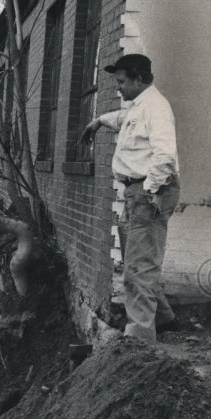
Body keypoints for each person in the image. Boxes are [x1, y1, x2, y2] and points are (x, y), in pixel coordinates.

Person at [80, 54, 180, 342]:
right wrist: (99, 121)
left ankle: (139, 338)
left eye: (122, 82)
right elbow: (124, 119)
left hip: (149, 192)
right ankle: (162, 318)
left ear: (138, 79)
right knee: (137, 257)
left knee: (139, 265)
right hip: (136, 192)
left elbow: (165, 156)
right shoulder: (140, 106)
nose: (118, 88)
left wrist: (149, 191)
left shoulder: (156, 108)